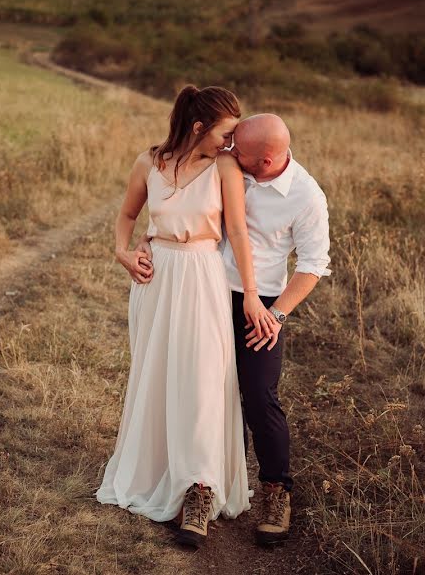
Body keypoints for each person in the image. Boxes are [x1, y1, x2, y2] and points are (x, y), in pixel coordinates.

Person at [137, 113, 332, 546]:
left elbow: (313, 266)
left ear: (264, 160)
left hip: (260, 304)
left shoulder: (306, 196)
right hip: (203, 290)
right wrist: (144, 241)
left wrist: (277, 315)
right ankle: (201, 489)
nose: (227, 152)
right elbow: (175, 204)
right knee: (204, 392)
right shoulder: (224, 164)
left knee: (259, 396)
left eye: (237, 150)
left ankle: (276, 493)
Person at [96, 85, 277, 548]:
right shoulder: (148, 162)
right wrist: (123, 252)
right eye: (226, 132)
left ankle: (200, 490)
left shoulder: (224, 167)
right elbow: (126, 215)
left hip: (201, 276)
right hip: (155, 281)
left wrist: (253, 295)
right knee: (157, 378)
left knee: (200, 379)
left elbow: (236, 230)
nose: (232, 141)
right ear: (198, 127)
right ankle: (157, 472)